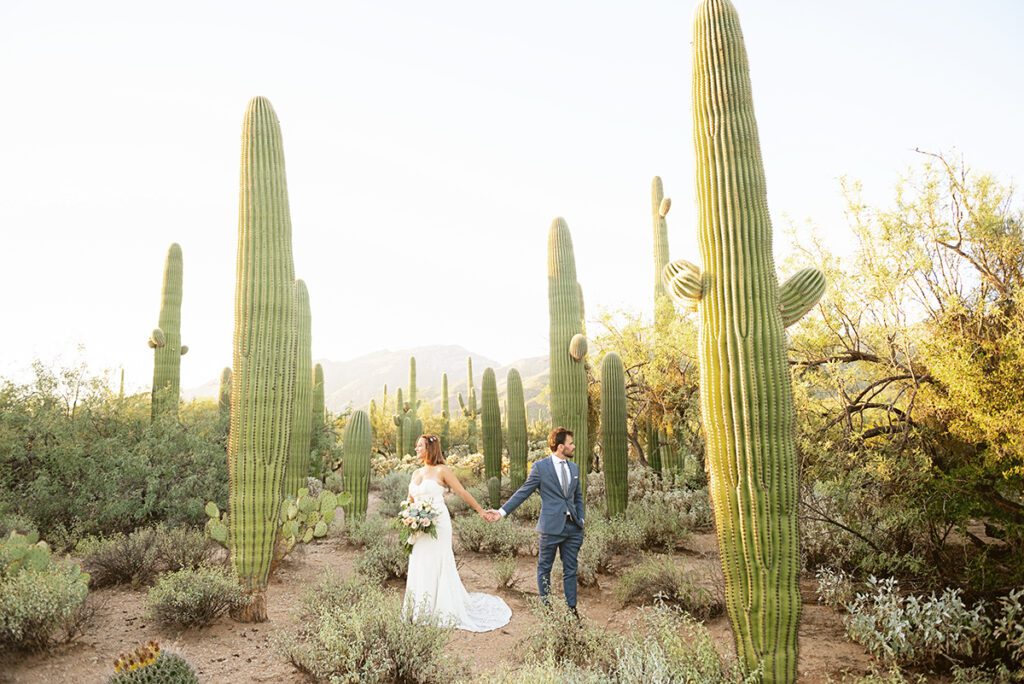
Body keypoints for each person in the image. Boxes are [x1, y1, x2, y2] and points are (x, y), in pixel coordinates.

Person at [402, 434, 512, 632]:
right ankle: (420, 609)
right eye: (416, 445)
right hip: (418, 525)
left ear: (430, 448)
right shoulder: (415, 473)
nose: (416, 448)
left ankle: (441, 608)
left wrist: (480, 511)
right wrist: (408, 517)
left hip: (438, 523)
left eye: (420, 446)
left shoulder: (442, 470)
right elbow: (410, 499)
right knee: (419, 561)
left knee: (438, 561)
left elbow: (462, 492)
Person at [485, 427, 584, 617]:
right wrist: (501, 512)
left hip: (573, 528)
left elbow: (578, 496)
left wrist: (581, 517)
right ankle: (547, 610)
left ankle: (572, 610)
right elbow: (524, 492)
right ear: (561, 446)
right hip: (551, 528)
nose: (574, 446)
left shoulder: (574, 468)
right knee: (544, 568)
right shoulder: (541, 467)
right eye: (571, 443)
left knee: (571, 569)